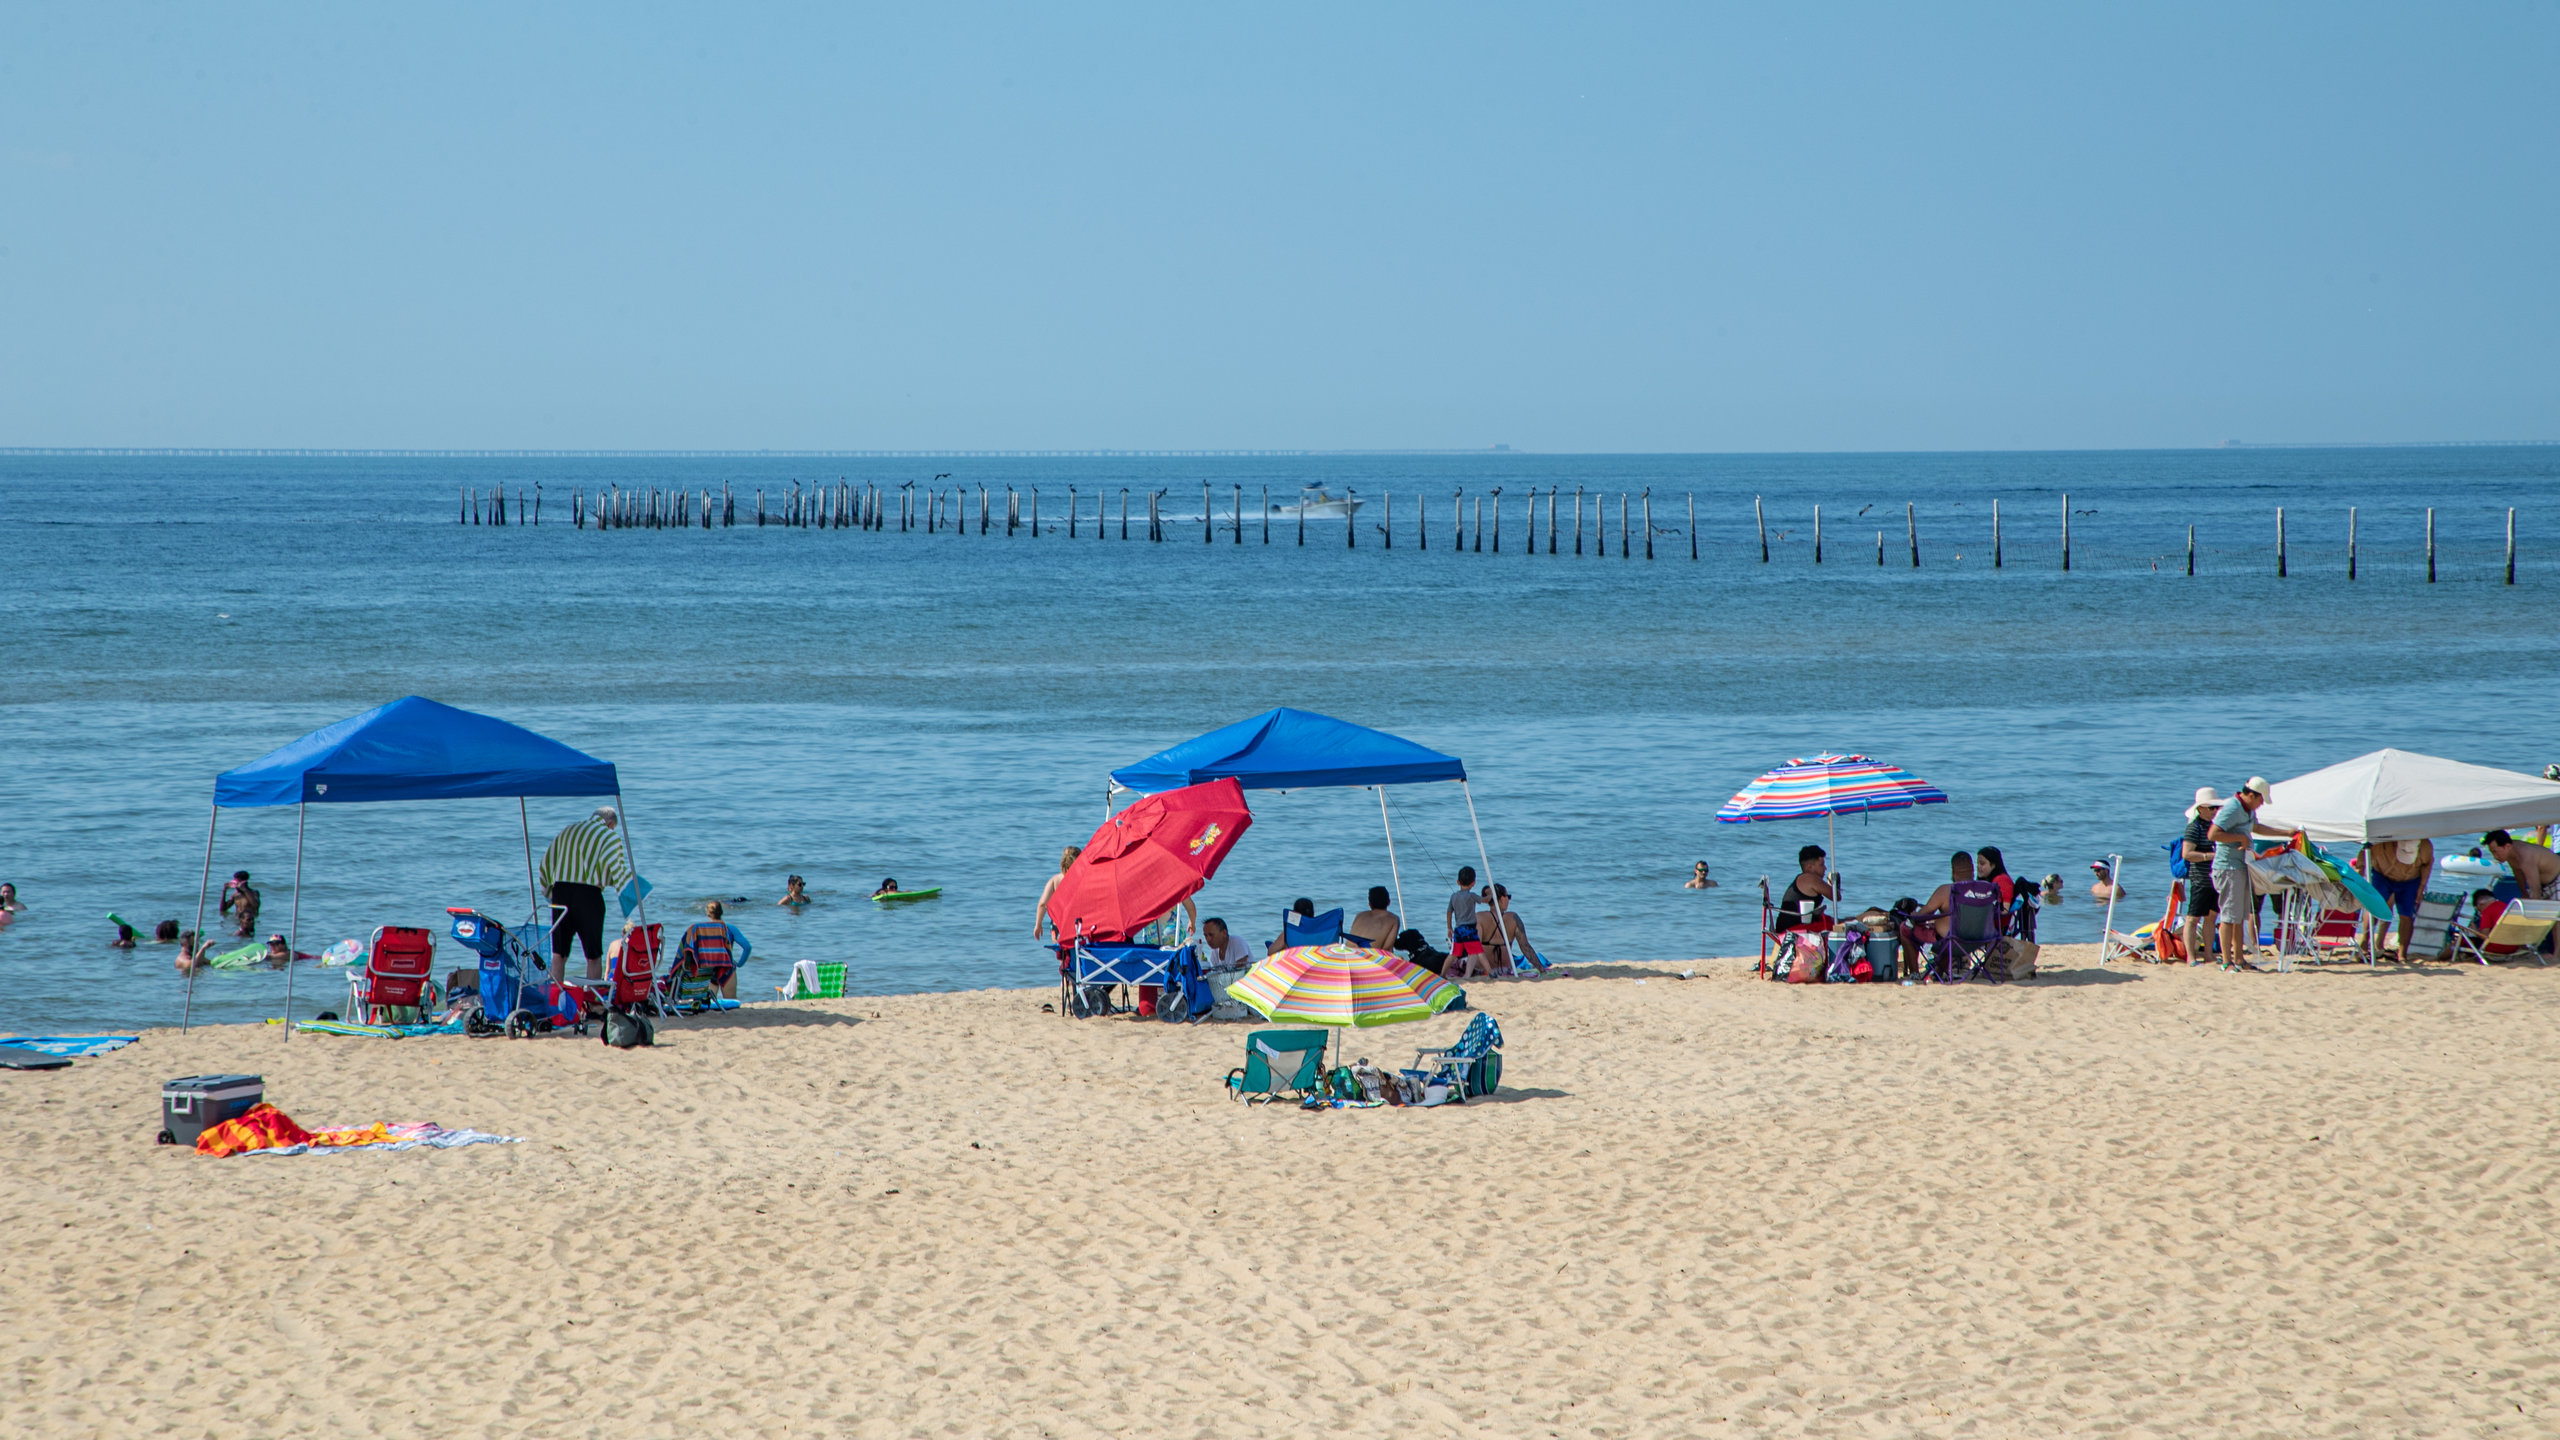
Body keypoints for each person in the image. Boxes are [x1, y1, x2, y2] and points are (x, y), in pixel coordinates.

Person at [540, 806, 631, 982]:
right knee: (593, 955)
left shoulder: (567, 831)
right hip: (588, 895)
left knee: (559, 954)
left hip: (561, 893)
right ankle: (592, 1003)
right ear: (610, 823)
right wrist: (628, 891)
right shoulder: (608, 836)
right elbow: (617, 870)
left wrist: (550, 893)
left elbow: (545, 866)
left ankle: (555, 1000)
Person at [2209, 777, 2290, 971]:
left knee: (2241, 916)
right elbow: (2213, 834)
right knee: (2229, 916)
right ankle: (2227, 961)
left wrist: (2287, 833)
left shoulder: (2248, 810)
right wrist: (2240, 838)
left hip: (2242, 865)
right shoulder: (2232, 807)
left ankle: (2239, 959)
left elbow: (2257, 828)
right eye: (2261, 800)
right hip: (2228, 867)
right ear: (2251, 795)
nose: (2261, 804)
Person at [1902, 852, 1994, 974]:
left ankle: (1914, 973)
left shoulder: (1946, 890)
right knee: (1949, 931)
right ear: (1972, 870)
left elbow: (1922, 915)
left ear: (1953, 872)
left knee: (1905, 928)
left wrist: (1913, 916)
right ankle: (1939, 972)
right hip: (1980, 940)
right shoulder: (1987, 889)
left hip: (1952, 942)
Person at [2364, 836, 2435, 956]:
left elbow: (2427, 865)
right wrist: (2360, 873)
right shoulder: (2382, 845)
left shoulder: (2425, 846)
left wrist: (2422, 886)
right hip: (2382, 874)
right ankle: (2364, 944)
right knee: (2373, 909)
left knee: (2406, 915)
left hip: (2410, 880)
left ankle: (2402, 953)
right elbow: (2365, 853)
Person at [2180, 788, 2225, 965]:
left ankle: (2208, 954)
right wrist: (2210, 856)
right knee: (2193, 918)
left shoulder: (2216, 826)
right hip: (2201, 878)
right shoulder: (2194, 827)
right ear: (2201, 809)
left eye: (2217, 808)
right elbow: (2187, 853)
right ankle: (2190, 956)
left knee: (2212, 917)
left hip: (2217, 878)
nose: (2215, 811)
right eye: (2212, 808)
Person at [677, 900, 752, 998]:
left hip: (707, 970)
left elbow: (691, 950)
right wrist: (739, 964)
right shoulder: (730, 928)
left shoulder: (701, 929)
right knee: (731, 1003)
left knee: (707, 1003)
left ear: (708, 914)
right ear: (721, 912)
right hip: (727, 968)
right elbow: (747, 947)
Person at [1769, 846, 1835, 933]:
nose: (1825, 868)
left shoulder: (1802, 878)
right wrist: (1833, 882)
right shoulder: (1810, 878)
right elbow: (1835, 896)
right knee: (1843, 926)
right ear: (1809, 867)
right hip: (1794, 930)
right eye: (1821, 865)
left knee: (1835, 921)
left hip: (1788, 927)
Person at [2485, 829, 2560, 901]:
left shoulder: (2525, 856)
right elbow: (2518, 873)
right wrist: (2524, 894)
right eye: (2492, 852)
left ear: (2507, 846)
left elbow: (2535, 889)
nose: (2495, 856)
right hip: (2544, 884)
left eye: (2495, 852)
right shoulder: (2510, 853)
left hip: (2557, 879)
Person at [1481, 883, 1541, 973]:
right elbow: (1525, 947)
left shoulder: (1479, 918)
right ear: (1501, 899)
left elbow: (1473, 947)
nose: (1508, 900)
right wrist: (1541, 969)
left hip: (1484, 970)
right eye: (1508, 896)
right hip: (1505, 970)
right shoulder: (1513, 918)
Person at [1032, 845, 1083, 940]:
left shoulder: (1054, 881)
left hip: (1058, 926)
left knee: (1060, 952)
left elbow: (1042, 904)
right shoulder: (1082, 881)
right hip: (1077, 926)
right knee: (1077, 951)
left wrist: (1038, 925)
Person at [1446, 866, 1481, 946]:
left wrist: (1449, 928)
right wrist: (1491, 895)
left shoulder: (1453, 896)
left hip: (1458, 929)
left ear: (1458, 882)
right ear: (1473, 883)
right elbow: (1483, 900)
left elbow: (1449, 912)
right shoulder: (1472, 896)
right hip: (1470, 929)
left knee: (1456, 953)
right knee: (1477, 952)